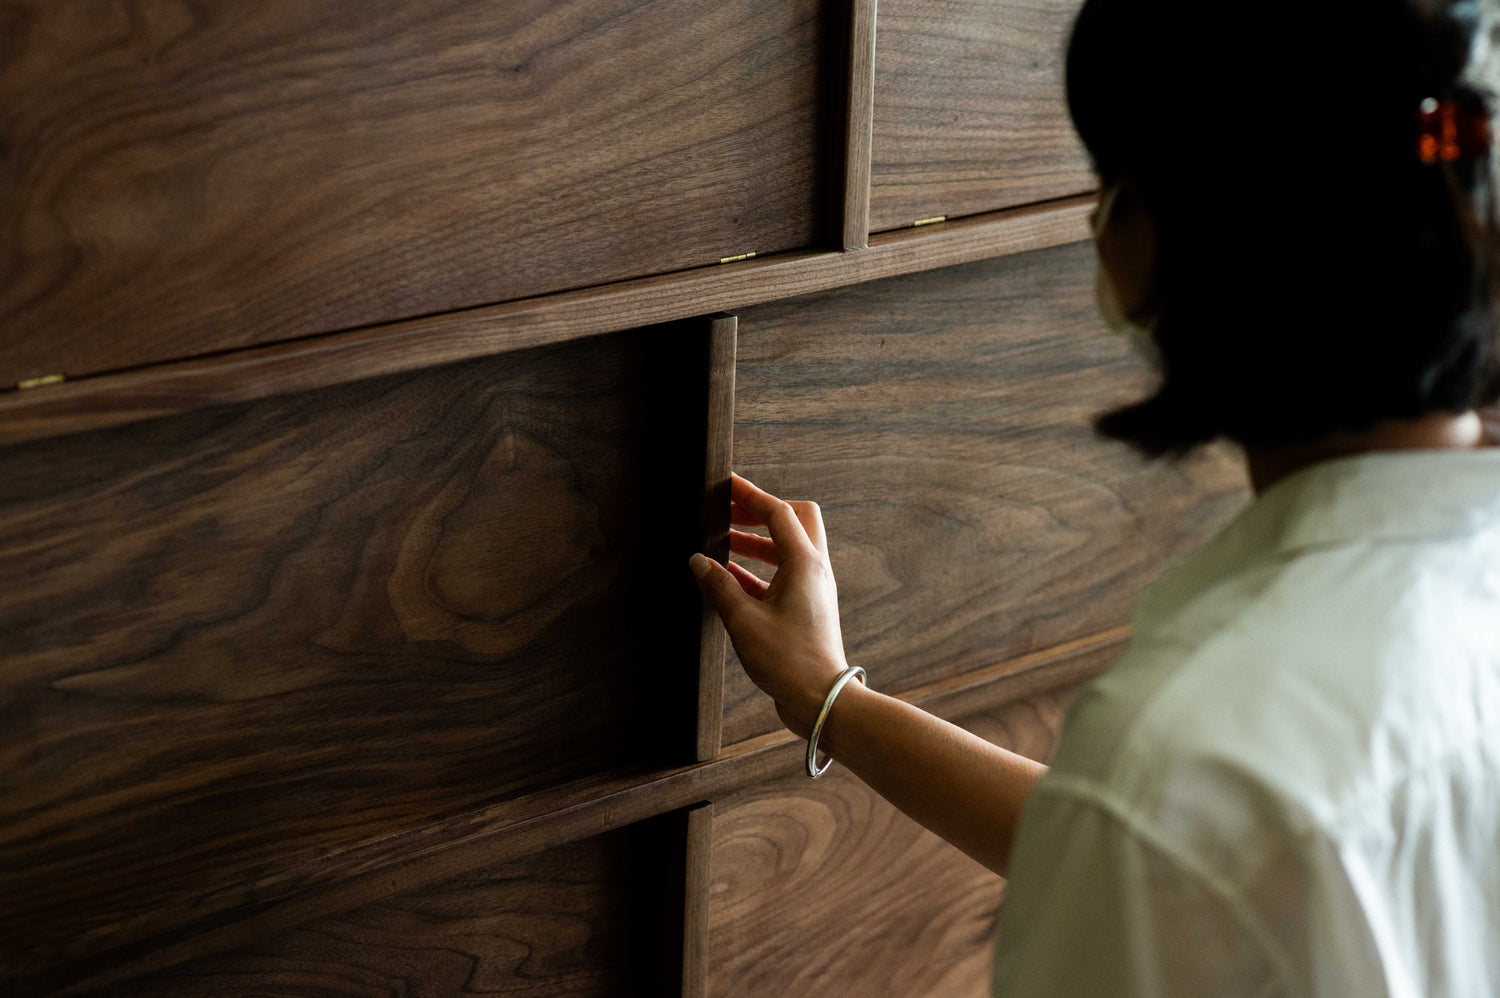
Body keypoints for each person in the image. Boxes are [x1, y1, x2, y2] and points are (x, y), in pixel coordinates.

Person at [688, 0, 1500, 993]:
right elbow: (1186, 864)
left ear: (1148, 240)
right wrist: (831, 701)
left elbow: (1168, 843)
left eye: (1108, 181)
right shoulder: (1200, 781)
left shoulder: (1185, 765)